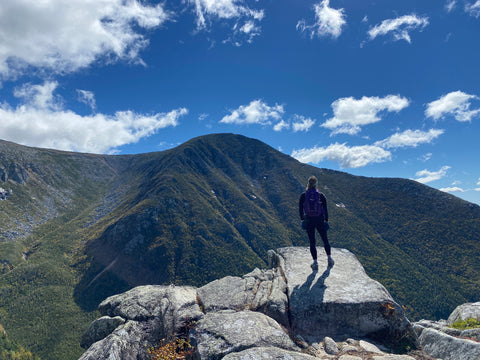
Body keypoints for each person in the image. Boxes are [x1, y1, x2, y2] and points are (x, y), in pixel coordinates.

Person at [299, 176, 334, 270]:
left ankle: (315, 263)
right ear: (316, 184)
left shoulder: (303, 195)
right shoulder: (321, 195)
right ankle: (329, 259)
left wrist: (302, 220)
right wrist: (326, 220)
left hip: (309, 220)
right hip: (319, 219)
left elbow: (300, 209)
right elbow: (325, 209)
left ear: (308, 184)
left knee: (312, 242)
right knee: (325, 239)